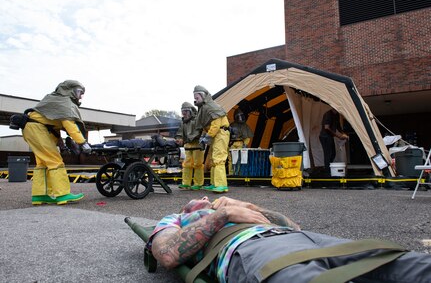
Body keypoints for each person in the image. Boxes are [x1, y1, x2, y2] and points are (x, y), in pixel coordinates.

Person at [147, 196, 431, 283]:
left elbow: (293, 226)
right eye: (200, 198)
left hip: (304, 239)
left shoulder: (233, 206)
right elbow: (168, 254)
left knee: (401, 263)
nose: (206, 197)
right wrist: (222, 214)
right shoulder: (176, 219)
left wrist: (249, 206)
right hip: (250, 248)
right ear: (187, 207)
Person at [22, 80, 91, 205]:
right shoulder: (65, 103)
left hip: (31, 129)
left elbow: (50, 123)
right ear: (70, 91)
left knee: (42, 163)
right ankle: (63, 194)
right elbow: (70, 125)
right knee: (55, 161)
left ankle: (40, 195)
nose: (81, 96)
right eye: (79, 92)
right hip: (38, 130)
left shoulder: (53, 99)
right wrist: (82, 142)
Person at [193, 85, 230, 193]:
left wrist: (207, 137)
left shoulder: (211, 106)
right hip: (216, 134)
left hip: (221, 133)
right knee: (213, 159)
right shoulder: (204, 108)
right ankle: (215, 183)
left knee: (218, 158)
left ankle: (221, 185)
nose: (195, 99)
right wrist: (203, 136)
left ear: (203, 96)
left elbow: (216, 124)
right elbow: (207, 125)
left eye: (197, 97)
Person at [175, 102, 205, 190]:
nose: (184, 114)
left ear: (191, 111)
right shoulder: (183, 122)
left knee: (198, 164)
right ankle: (186, 183)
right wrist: (179, 139)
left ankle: (198, 184)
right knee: (186, 164)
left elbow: (199, 131)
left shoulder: (197, 120)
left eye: (186, 111)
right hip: (188, 146)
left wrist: (188, 139)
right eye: (183, 111)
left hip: (197, 145)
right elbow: (180, 133)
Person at [319, 108, 349, 175]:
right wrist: (339, 136)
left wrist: (343, 133)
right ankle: (327, 172)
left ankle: (329, 168)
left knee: (333, 153)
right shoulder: (328, 114)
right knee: (328, 154)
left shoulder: (337, 114)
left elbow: (338, 126)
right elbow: (326, 127)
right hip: (324, 137)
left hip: (329, 136)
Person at [228, 108, 254, 175]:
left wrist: (245, 144)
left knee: (239, 160)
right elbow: (227, 136)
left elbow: (247, 137)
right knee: (231, 160)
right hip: (232, 144)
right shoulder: (232, 125)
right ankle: (231, 174)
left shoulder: (245, 126)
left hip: (241, 144)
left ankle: (239, 174)